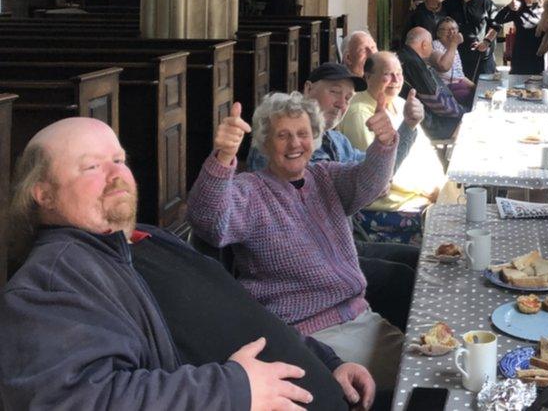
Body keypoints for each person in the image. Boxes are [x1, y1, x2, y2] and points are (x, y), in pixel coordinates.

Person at [0, 117, 375, 410]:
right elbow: (70, 401)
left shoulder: (140, 238)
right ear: (43, 194)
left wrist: (325, 362)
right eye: (91, 167)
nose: (117, 175)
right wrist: (233, 390)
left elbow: (241, 310)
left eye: (118, 160)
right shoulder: (52, 277)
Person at [188, 92, 404, 393]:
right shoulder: (249, 191)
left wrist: (383, 144)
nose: (294, 144)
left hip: (360, 317)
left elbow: (370, 182)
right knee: (419, 385)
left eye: (302, 134)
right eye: (282, 135)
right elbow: (208, 221)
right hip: (309, 337)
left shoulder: (325, 177)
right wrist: (223, 157)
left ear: (314, 137)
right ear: (265, 142)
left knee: (432, 369)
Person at [247, 61, 423, 331]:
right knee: (401, 279)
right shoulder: (280, 145)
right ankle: (399, 351)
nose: (342, 103)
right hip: (307, 263)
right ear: (307, 88)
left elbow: (376, 176)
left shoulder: (336, 141)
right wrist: (369, 181)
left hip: (343, 243)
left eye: (349, 97)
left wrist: (406, 128)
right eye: (335, 92)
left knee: (419, 260)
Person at [336, 51, 445, 245]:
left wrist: (439, 183)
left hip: (420, 195)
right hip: (391, 205)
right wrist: (426, 189)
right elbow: (378, 172)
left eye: (399, 73)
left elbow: (425, 150)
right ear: (368, 77)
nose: (395, 80)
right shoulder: (359, 113)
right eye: (388, 74)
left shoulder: (401, 103)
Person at [397, 27, 466, 140]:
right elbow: (438, 102)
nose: (432, 49)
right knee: (468, 125)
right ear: (424, 45)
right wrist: (463, 112)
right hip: (427, 124)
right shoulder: (414, 63)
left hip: (410, 118)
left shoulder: (403, 55)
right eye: (431, 45)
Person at [441, 0, 500, 79]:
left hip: (483, 59)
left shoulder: (486, 2)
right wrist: (419, 5)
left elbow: (496, 25)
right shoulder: (450, 3)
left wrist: (486, 42)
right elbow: (434, 8)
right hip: (458, 59)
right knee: (463, 93)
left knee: (485, 92)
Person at [494, 0, 545, 75]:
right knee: (517, 89)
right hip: (520, 57)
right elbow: (497, 20)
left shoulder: (543, 10)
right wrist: (508, 7)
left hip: (538, 58)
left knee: (537, 89)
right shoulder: (517, 9)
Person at [429, 16, 477, 106]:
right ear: (438, 33)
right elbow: (443, 66)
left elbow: (460, 76)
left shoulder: (453, 48)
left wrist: (477, 87)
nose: (451, 33)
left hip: (457, 86)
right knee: (471, 97)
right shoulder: (434, 45)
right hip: (443, 89)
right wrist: (454, 43)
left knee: (478, 93)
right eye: (446, 30)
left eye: (454, 29)